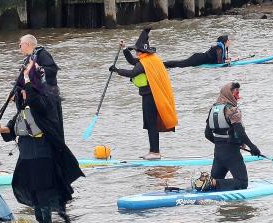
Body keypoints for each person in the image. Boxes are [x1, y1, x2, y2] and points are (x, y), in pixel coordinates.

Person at [0, 58, 83, 223]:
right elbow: (13, 127)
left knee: (43, 193)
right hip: (27, 157)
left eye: (24, 90)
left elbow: (34, 101)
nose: (21, 95)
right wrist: (2, 129)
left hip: (42, 156)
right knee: (34, 193)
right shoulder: (24, 107)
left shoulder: (43, 100)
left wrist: (28, 77)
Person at [111, 29, 177, 160]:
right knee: (150, 124)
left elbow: (132, 72)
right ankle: (153, 151)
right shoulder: (150, 59)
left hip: (150, 97)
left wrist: (117, 70)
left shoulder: (145, 62)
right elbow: (133, 62)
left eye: (136, 51)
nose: (135, 53)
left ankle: (155, 152)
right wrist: (125, 49)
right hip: (150, 95)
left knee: (151, 124)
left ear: (141, 52)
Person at [193, 82, 261, 192]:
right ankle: (211, 182)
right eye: (236, 93)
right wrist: (253, 147)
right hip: (231, 153)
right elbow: (240, 132)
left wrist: (221, 143)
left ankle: (208, 182)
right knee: (242, 182)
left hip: (218, 152)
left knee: (214, 183)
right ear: (229, 94)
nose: (238, 97)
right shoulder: (232, 110)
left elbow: (207, 134)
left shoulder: (213, 110)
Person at [18, 34, 63, 132]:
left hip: (47, 98)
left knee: (49, 127)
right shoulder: (28, 59)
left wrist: (39, 68)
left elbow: (53, 69)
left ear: (27, 44)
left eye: (20, 45)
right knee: (31, 127)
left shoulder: (42, 54)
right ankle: (29, 133)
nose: (19, 48)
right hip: (32, 98)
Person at [165, 35, 231, 69]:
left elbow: (219, 59)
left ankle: (165, 65)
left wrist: (226, 60)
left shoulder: (220, 48)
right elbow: (219, 63)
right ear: (225, 42)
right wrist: (226, 63)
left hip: (199, 57)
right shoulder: (219, 49)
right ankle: (164, 65)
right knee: (180, 64)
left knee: (181, 63)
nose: (230, 41)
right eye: (228, 40)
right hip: (198, 59)